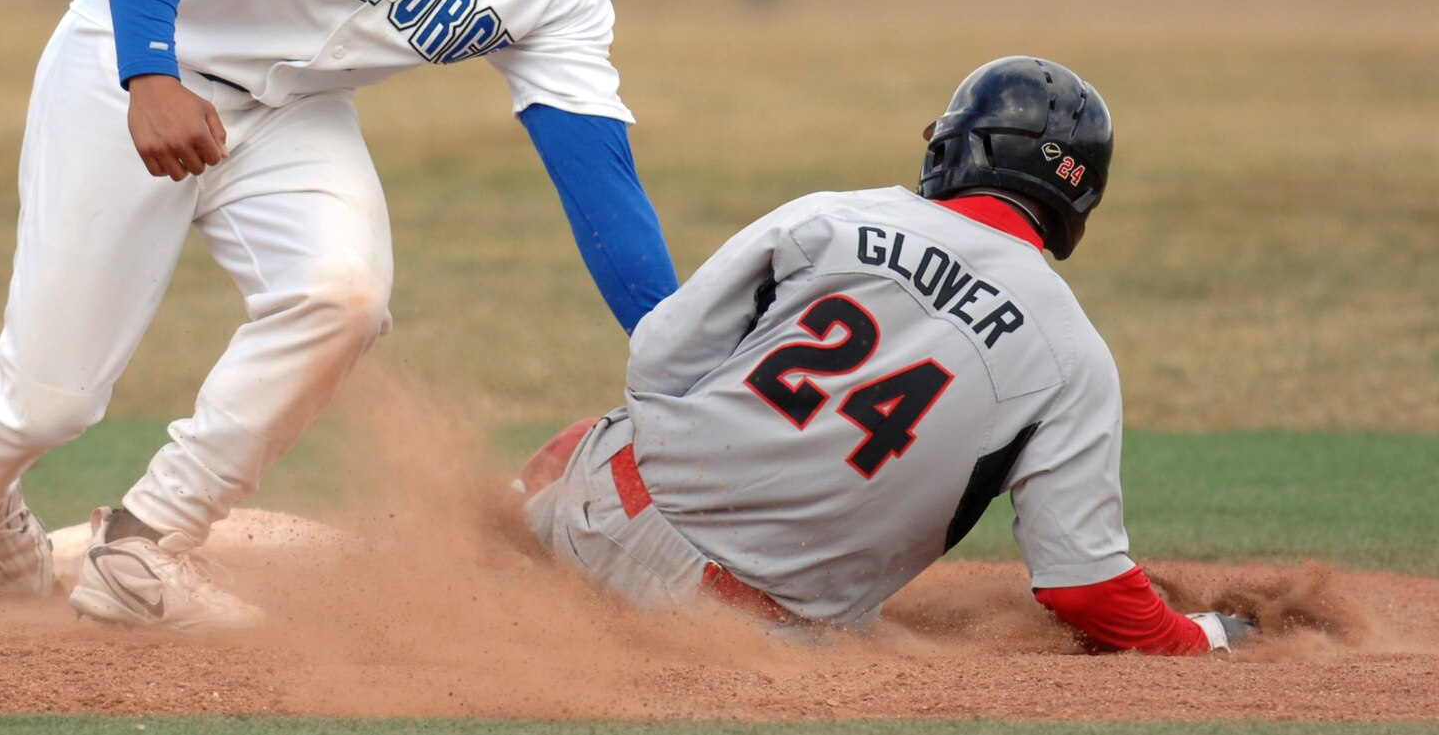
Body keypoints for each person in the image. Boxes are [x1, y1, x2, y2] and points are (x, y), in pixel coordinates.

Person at [0, 0, 699, 631]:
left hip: (290, 113)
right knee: (44, 404)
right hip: (133, 62)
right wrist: (149, 73)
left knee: (344, 296)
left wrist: (681, 364)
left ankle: (144, 547)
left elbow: (600, 179)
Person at [516, 56, 1259, 656]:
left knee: (582, 440)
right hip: (738, 633)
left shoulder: (836, 213)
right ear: (1079, 199)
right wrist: (1203, 636)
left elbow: (657, 359)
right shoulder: (1074, 357)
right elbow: (1085, 587)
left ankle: (500, 530)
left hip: (606, 512)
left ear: (960, 145)